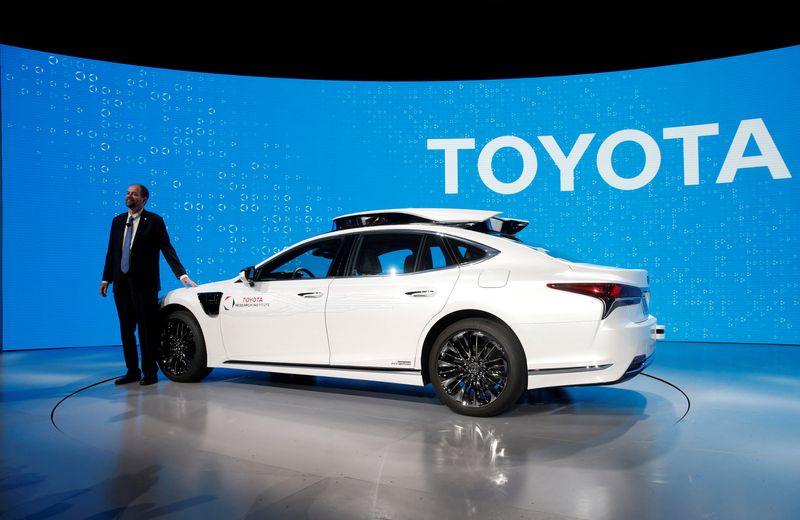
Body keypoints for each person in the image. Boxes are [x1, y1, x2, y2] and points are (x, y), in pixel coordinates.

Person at [100, 184, 197, 386]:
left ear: (144, 200)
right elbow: (112, 253)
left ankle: (150, 372)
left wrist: (182, 275)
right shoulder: (117, 221)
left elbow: (167, 248)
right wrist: (106, 279)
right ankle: (132, 371)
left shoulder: (154, 221)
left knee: (147, 330)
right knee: (126, 330)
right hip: (122, 285)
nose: (129, 196)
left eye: (134, 194)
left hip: (144, 286)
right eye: (127, 193)